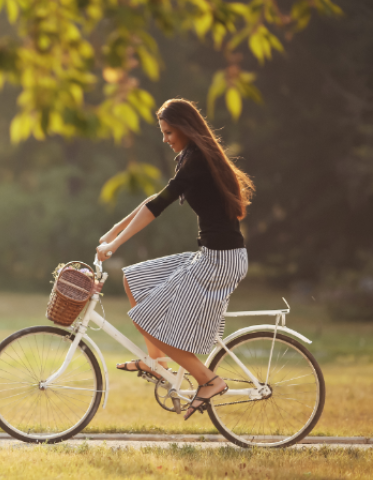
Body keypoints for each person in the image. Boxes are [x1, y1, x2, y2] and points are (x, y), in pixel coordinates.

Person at [95, 98, 255, 420]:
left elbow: (158, 207)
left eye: (168, 132)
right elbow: (155, 198)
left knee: (145, 317)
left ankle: (208, 380)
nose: (165, 139)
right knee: (133, 278)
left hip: (220, 263)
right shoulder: (191, 158)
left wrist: (115, 244)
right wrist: (114, 229)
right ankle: (156, 362)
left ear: (183, 129)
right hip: (213, 255)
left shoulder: (197, 161)